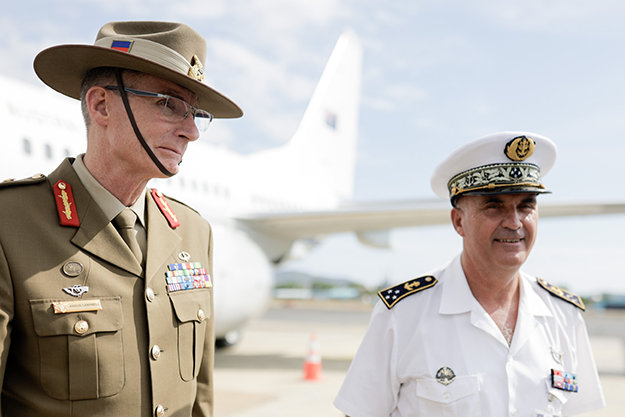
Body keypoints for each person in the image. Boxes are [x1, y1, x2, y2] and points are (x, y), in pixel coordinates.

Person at [0, 21, 242, 417]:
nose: (191, 132)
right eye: (169, 104)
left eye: (196, 112)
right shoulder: (10, 225)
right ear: (101, 105)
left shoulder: (193, 232)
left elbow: (200, 392)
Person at [334, 132, 605, 417]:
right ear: (459, 221)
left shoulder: (563, 314)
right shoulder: (403, 314)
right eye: (494, 206)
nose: (514, 223)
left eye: (526, 205)